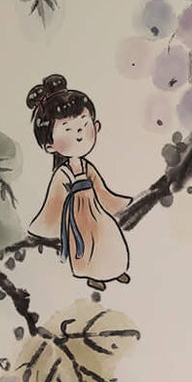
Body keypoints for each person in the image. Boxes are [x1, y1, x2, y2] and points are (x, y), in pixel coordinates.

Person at [25, 74, 134, 291]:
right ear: (50, 146)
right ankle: (94, 276)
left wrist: (118, 204)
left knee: (109, 236)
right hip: (78, 218)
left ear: (96, 126)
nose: (79, 135)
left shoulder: (87, 167)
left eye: (84, 125)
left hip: (97, 213)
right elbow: (54, 202)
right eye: (68, 129)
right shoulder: (63, 174)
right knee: (88, 246)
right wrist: (46, 226)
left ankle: (116, 269)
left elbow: (101, 190)